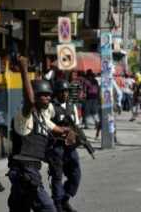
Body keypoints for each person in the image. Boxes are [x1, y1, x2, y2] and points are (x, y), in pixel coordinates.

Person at [7, 57, 75, 212]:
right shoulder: (25, 116)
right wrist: (24, 70)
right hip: (24, 171)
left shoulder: (42, 118)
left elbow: (57, 129)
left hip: (29, 170)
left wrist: (68, 132)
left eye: (49, 95)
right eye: (43, 95)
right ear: (35, 96)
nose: (48, 98)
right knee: (48, 208)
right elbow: (29, 102)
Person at [48, 80, 81, 212]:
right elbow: (46, 125)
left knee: (76, 174)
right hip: (56, 147)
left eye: (67, 91)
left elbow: (77, 125)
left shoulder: (71, 106)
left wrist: (78, 138)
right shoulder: (51, 107)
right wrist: (59, 133)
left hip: (70, 147)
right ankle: (58, 206)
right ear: (57, 92)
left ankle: (65, 199)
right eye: (62, 91)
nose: (65, 94)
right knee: (57, 177)